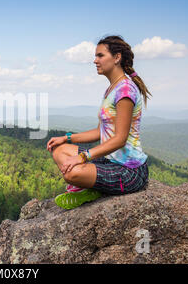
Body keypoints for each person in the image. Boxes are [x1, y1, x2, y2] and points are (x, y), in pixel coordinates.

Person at [47, 35, 151, 210]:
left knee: (72, 172)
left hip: (129, 171)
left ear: (117, 57)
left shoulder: (125, 90)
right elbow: (99, 132)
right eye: (96, 56)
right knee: (59, 151)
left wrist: (82, 157)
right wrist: (66, 138)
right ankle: (95, 186)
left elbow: (120, 139)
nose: (95, 60)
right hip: (110, 161)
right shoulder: (112, 88)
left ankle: (92, 189)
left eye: (100, 55)